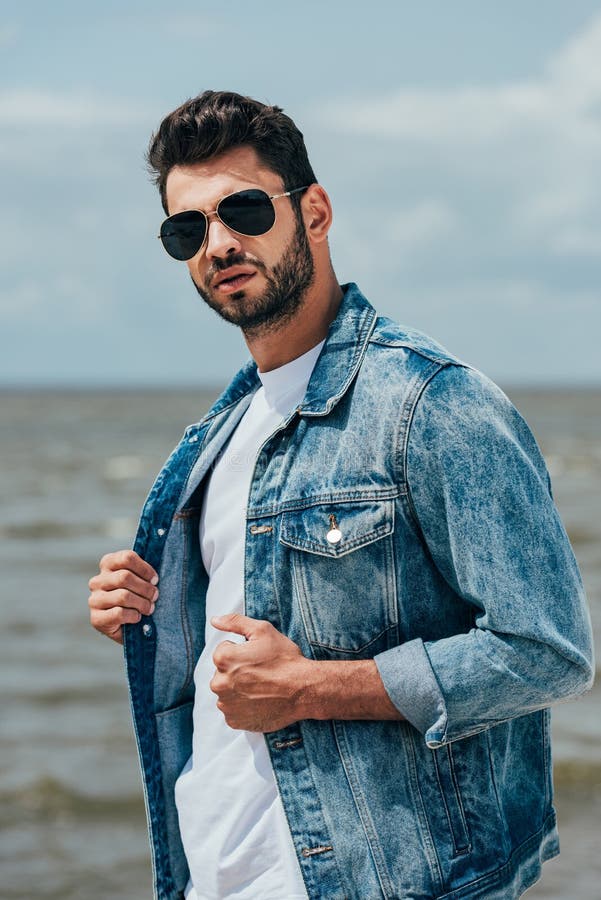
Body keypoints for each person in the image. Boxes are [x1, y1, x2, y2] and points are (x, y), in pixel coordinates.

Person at [88, 91, 594, 900]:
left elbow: (548, 650)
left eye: (244, 210)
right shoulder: (221, 429)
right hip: (213, 875)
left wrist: (310, 690)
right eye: (188, 229)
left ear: (313, 212)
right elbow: (248, 636)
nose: (218, 243)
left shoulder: (430, 402)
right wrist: (148, 609)